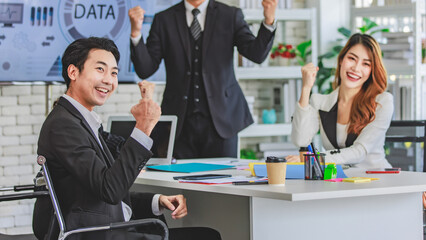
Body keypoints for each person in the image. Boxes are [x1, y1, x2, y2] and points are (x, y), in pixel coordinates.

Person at [33, 37, 221, 240]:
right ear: (73, 72)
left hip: (104, 226)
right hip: (93, 233)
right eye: (100, 69)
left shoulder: (79, 121)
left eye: (114, 72)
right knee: (207, 236)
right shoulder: (64, 125)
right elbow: (110, 189)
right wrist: (143, 126)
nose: (109, 80)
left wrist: (156, 201)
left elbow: (99, 192)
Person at [128, 0, 278, 159]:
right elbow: (145, 69)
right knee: (179, 182)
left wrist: (269, 21)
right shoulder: (164, 19)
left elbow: (256, 55)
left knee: (222, 180)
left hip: (222, 122)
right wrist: (136, 33)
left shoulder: (230, 15)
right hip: (180, 123)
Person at [289, 33, 394, 170]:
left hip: (376, 181)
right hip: (340, 183)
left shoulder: (382, 102)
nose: (356, 68)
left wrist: (315, 159)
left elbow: (359, 152)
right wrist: (306, 88)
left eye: (366, 64)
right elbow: (300, 140)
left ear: (371, 71)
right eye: (352, 58)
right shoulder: (321, 102)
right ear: (341, 60)